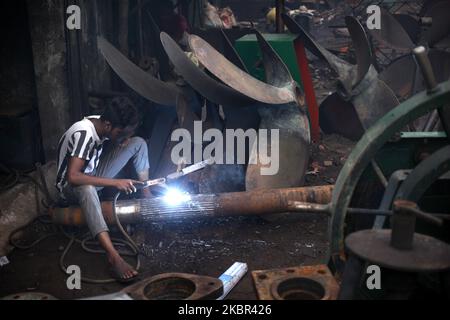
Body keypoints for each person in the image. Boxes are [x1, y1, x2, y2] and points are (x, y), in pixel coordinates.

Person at [55, 97, 150, 282]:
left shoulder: (101, 122)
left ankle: (147, 193)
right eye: (120, 133)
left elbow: (108, 142)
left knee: (138, 143)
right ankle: (113, 256)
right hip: (70, 188)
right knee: (88, 188)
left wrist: (122, 140)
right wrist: (115, 182)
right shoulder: (84, 134)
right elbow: (73, 177)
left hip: (90, 174)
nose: (123, 137)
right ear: (108, 125)